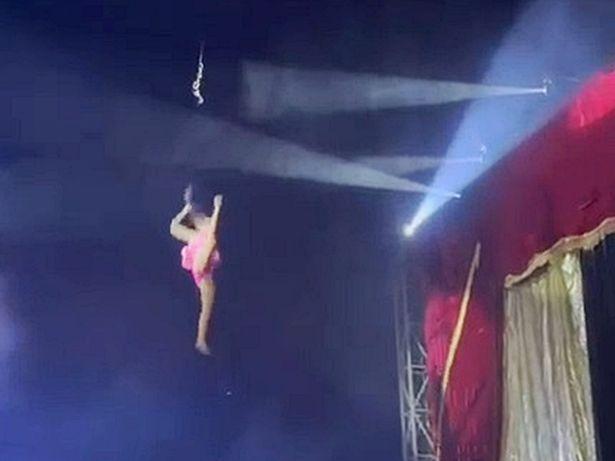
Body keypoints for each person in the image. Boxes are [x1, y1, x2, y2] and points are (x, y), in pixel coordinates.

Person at [170, 185, 223, 355]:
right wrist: (217, 209)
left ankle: (201, 341)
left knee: (206, 309)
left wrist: (187, 207)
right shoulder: (205, 235)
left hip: (200, 261)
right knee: (206, 308)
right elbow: (211, 235)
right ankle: (201, 341)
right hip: (202, 267)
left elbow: (174, 227)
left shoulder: (199, 230)